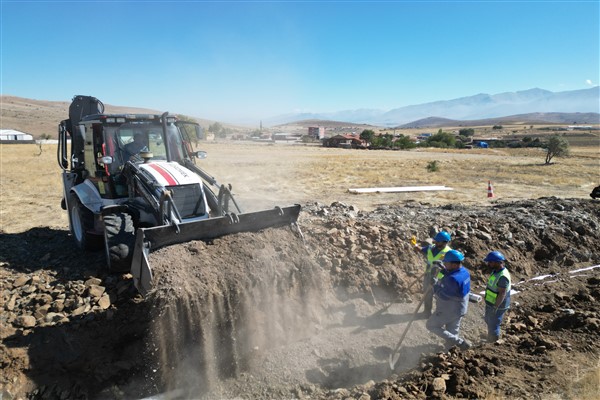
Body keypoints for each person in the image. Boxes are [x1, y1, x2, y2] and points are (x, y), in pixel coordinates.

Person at [426, 249, 472, 350]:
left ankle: (460, 342)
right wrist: (443, 268)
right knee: (452, 331)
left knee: (431, 325)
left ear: (454, 264)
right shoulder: (464, 271)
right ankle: (450, 350)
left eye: (446, 262)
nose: (445, 263)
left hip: (449, 309)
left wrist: (434, 285)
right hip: (461, 308)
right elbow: (450, 274)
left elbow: (444, 295)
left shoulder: (453, 279)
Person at [413, 231, 452, 317]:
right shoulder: (431, 248)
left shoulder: (449, 252)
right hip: (428, 275)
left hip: (441, 278)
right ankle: (427, 312)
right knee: (427, 294)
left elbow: (452, 268)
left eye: (438, 241)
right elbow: (422, 249)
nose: (436, 242)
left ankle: (440, 315)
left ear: (444, 242)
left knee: (440, 297)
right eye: (436, 240)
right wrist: (415, 245)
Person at [483, 251, 511, 343]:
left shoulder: (503, 277)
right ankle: (490, 337)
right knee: (488, 320)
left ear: (497, 262)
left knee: (494, 323)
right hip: (491, 302)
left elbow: (502, 293)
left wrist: (496, 306)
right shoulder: (496, 271)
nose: (489, 264)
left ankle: (492, 342)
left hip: (498, 305)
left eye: (490, 262)